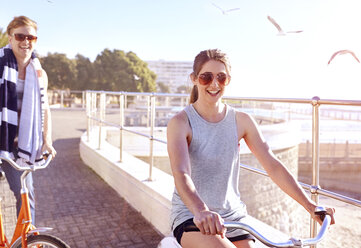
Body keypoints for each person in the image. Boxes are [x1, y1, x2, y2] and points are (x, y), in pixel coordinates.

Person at [167, 49, 335, 248]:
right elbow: (181, 173)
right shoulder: (180, 122)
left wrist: (310, 206)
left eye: (221, 78)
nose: (214, 84)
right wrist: (201, 211)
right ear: (194, 79)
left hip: (233, 218)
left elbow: (272, 165)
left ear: (228, 80)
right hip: (193, 216)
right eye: (206, 77)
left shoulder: (242, 121)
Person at [0, 16, 56, 224]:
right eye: (20, 36)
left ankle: (26, 242)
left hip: (18, 145)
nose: (25, 41)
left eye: (30, 37)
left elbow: (45, 109)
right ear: (10, 38)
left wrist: (46, 140)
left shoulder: (39, 73)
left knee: (26, 192)